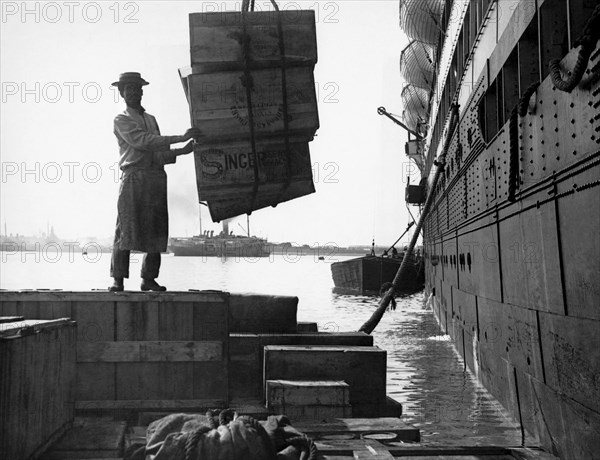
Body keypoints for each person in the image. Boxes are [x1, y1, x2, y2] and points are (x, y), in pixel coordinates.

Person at [109, 72, 202, 292]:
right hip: (133, 176)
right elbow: (143, 142)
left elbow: (159, 153)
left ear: (142, 92)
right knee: (125, 230)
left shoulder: (151, 119)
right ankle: (118, 279)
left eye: (136, 88)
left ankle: (148, 279)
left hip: (155, 177)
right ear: (122, 93)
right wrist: (180, 138)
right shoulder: (121, 119)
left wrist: (183, 151)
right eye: (128, 89)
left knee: (157, 230)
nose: (133, 92)